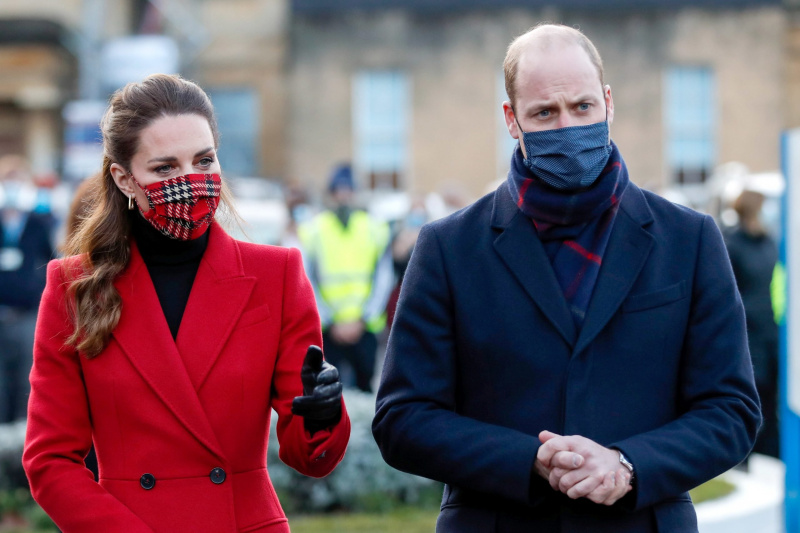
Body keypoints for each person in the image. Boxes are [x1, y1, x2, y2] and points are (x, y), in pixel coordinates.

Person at [372, 23, 760, 532]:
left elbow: (731, 410)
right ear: (512, 119)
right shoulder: (448, 248)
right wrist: (529, 460)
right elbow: (403, 418)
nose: (567, 127)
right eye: (544, 113)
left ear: (608, 103)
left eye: (581, 107)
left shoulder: (689, 239)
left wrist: (628, 465)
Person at [23, 74, 350, 533]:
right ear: (124, 178)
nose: (190, 182)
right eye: (165, 168)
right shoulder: (74, 286)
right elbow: (50, 460)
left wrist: (322, 416)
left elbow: (308, 456)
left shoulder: (276, 275)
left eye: (204, 160)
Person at [298, 164, 393, 393]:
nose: (343, 195)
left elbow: (384, 277)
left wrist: (363, 318)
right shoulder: (314, 229)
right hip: (329, 329)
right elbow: (306, 278)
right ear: (330, 193)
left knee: (365, 388)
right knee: (327, 393)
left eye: (348, 189)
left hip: (365, 327)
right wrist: (331, 319)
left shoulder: (374, 227)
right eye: (338, 190)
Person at [725, 188, 780, 459]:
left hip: (772, 334)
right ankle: (744, 456)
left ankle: (771, 454)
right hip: (747, 336)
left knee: (772, 402)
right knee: (751, 400)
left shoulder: (769, 242)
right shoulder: (732, 244)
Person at [0, 156, 55, 423]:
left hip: (26, 314)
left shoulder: (37, 221)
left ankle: (22, 442)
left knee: (26, 378)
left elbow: (49, 259)